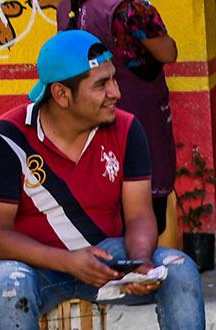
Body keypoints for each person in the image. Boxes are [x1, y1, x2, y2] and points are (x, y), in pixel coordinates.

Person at [0, 31, 216, 330]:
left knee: (179, 268)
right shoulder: (7, 138)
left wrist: (141, 261)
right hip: (37, 263)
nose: (116, 92)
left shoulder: (126, 129)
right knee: (8, 285)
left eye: (113, 79)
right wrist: (67, 262)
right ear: (61, 94)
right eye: (101, 84)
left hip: (108, 255)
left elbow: (141, 214)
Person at [67, 0, 180, 232]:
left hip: (86, 123)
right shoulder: (129, 9)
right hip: (138, 114)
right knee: (144, 217)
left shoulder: (69, 6)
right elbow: (168, 52)